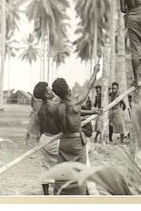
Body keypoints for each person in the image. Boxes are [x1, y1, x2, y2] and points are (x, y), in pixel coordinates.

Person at [52, 63, 101, 195]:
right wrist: (95, 71)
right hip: (76, 143)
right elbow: (88, 86)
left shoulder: (56, 108)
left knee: (63, 171)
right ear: (68, 90)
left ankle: (61, 195)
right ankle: (78, 198)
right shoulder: (76, 103)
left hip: (64, 141)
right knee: (79, 171)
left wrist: (92, 111)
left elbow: (70, 118)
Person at [33, 82, 60, 195]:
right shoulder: (53, 107)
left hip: (44, 140)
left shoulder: (41, 109)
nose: (51, 90)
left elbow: (41, 128)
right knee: (60, 165)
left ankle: (46, 195)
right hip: (54, 140)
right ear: (46, 93)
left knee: (45, 166)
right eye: (49, 88)